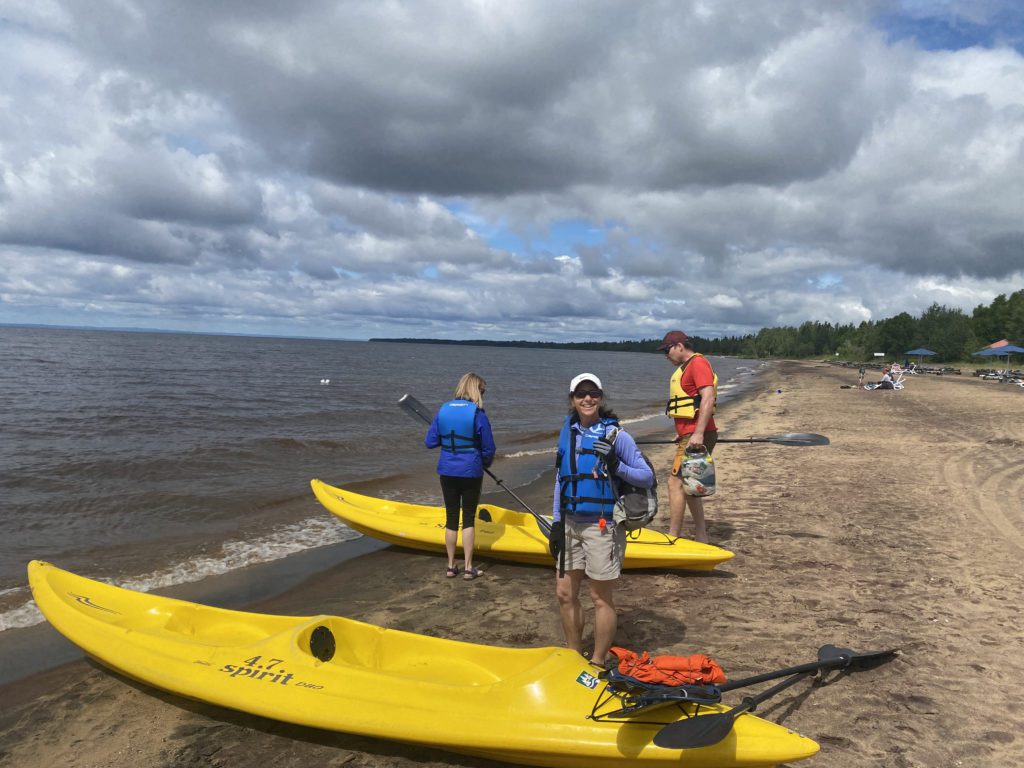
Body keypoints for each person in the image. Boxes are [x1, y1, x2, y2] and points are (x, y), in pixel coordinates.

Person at [550, 373, 654, 668]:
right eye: (581, 394)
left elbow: (645, 475)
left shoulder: (617, 436)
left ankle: (596, 660)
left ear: (601, 397)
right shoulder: (566, 432)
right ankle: (573, 653)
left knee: (599, 597)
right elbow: (561, 479)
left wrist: (615, 463)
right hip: (570, 523)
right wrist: (557, 523)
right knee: (564, 592)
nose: (587, 399)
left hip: (603, 525)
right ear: (572, 399)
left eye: (593, 393)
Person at [424, 372, 496, 580]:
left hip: (447, 470)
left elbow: (430, 442)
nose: (483, 394)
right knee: (469, 519)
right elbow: (488, 447)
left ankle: (449, 566)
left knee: (451, 518)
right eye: (482, 390)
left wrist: (447, 439)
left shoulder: (443, 411)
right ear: (476, 390)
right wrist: (485, 463)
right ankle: (468, 567)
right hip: (471, 471)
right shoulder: (478, 414)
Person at [657, 330, 718, 543]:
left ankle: (673, 536)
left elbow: (708, 397)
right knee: (690, 485)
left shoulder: (698, 364)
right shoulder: (689, 366)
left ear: (679, 346)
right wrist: (682, 432)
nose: (666, 355)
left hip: (697, 434)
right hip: (691, 434)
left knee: (675, 483)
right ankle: (701, 535)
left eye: (667, 350)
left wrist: (698, 433)